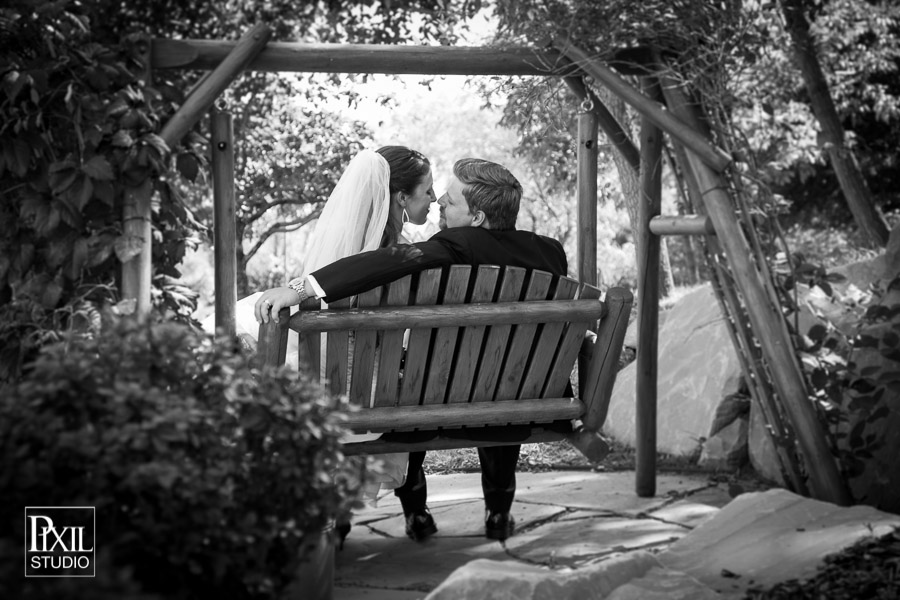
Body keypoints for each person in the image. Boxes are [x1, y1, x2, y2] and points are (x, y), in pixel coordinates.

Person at [255, 158, 568, 542]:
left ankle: (416, 511)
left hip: (440, 409)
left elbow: (390, 260)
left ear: (478, 217)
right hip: (525, 404)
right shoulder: (550, 252)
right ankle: (498, 513)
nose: (440, 206)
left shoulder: (457, 244)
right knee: (500, 378)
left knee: (415, 379)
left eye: (451, 203)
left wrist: (304, 288)